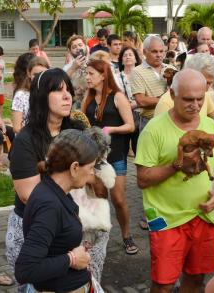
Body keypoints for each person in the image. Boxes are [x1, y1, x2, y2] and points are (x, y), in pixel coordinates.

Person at [135, 69, 214, 292]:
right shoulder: (154, 130)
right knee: (163, 285)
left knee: (196, 279)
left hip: (203, 217)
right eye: (188, 99)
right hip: (167, 219)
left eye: (200, 98)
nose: (195, 105)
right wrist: (176, 166)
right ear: (172, 94)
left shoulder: (212, 127)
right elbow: (142, 179)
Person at [5, 68, 86, 287]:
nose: (68, 95)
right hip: (37, 226)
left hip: (72, 219)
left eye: (68, 89)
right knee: (40, 284)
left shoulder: (76, 131)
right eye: (59, 91)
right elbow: (27, 195)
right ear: (42, 96)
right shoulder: (26, 139)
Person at [15, 129, 96, 291]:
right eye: (91, 167)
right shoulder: (49, 205)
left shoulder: (54, 191)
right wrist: (71, 259)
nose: (92, 174)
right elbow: (25, 270)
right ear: (74, 168)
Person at [81, 59, 137, 254]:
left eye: (91, 74)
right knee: (98, 197)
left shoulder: (117, 97)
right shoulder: (87, 98)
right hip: (93, 158)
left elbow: (130, 125)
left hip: (116, 155)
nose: (87, 77)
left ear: (103, 75)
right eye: (86, 74)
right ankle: (98, 237)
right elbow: (82, 122)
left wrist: (109, 129)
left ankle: (127, 235)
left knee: (119, 199)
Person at [154, 53, 214, 118]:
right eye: (205, 82)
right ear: (190, 73)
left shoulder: (204, 94)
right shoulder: (166, 103)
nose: (207, 89)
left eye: (210, 83)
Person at [130, 35, 169, 131]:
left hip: (172, 120)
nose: (159, 55)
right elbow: (141, 101)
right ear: (144, 52)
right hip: (150, 122)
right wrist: (168, 100)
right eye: (154, 51)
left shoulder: (171, 69)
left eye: (161, 51)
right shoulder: (137, 71)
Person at [115, 46, 142, 156]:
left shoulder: (142, 75)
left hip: (139, 115)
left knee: (139, 147)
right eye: (125, 55)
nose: (128, 57)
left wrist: (135, 104)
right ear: (121, 60)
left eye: (131, 55)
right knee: (122, 148)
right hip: (122, 115)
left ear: (136, 59)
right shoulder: (116, 77)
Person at [12, 56, 50, 134]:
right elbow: (16, 127)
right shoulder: (21, 95)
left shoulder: (51, 94)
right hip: (27, 140)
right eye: (35, 74)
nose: (39, 77)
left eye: (43, 74)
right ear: (29, 74)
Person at [63, 35, 89, 109]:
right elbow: (62, 81)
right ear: (70, 51)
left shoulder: (93, 62)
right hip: (75, 105)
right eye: (74, 47)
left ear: (85, 46)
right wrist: (73, 67)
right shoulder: (67, 67)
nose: (78, 48)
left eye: (80, 45)